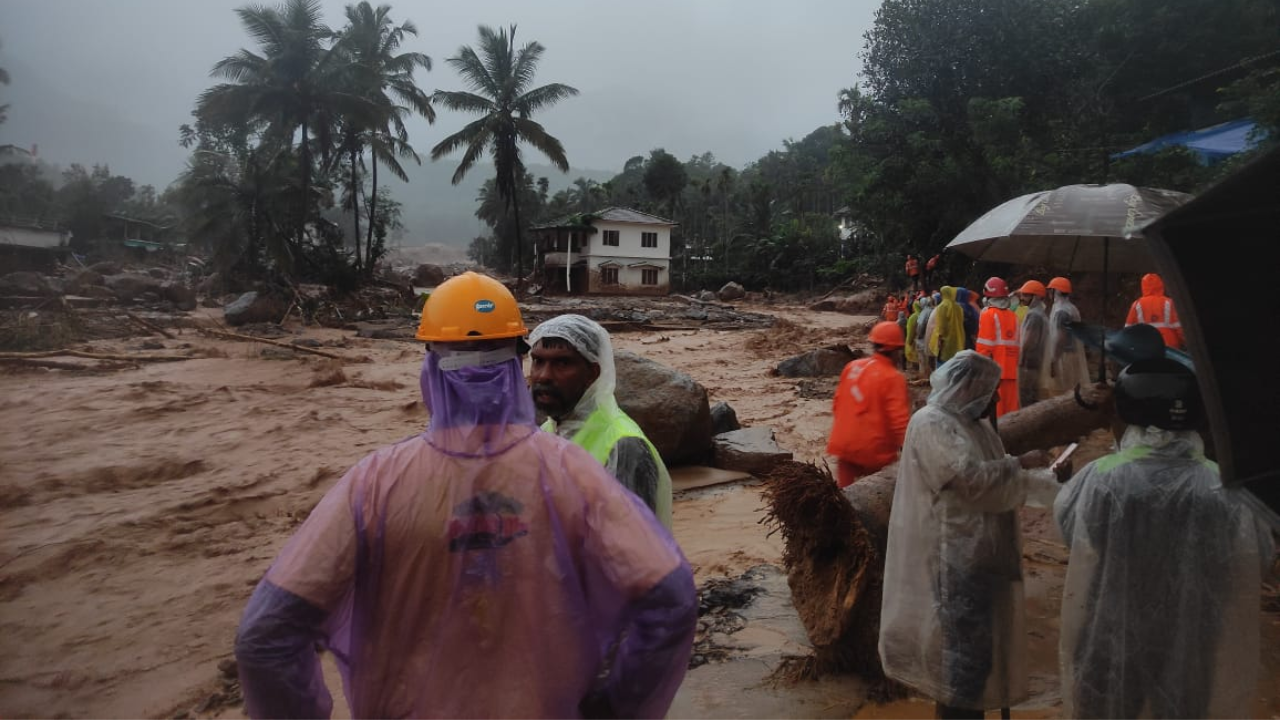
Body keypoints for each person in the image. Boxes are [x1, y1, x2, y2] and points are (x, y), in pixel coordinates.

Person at [234, 272, 696, 719]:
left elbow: (266, 637)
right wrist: (619, 707)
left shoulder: (373, 483)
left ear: (431, 366)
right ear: (517, 366)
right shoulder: (572, 469)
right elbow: (670, 599)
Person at [1054, 358, 1273, 719]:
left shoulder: (1101, 478)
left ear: (1126, 412)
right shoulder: (1225, 485)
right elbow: (1255, 557)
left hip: (1111, 630)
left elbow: (1072, 537)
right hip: (1192, 637)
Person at [878, 351, 1066, 718]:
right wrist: (1019, 464)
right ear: (968, 387)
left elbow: (996, 479)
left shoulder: (973, 425)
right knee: (961, 659)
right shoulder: (932, 423)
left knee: (980, 654)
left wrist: (1043, 478)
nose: (996, 399)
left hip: (982, 555)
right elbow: (968, 479)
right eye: (990, 391)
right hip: (955, 557)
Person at [529, 314, 673, 529]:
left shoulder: (624, 445)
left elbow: (633, 548)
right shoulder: (549, 430)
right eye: (538, 361)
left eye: (562, 363)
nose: (543, 376)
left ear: (592, 374)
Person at [827, 321, 911, 488]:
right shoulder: (893, 378)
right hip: (873, 451)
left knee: (842, 495)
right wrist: (910, 451)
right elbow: (900, 422)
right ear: (895, 351)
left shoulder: (852, 367)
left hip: (843, 443)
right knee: (874, 499)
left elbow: (836, 404)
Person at [975, 277, 1020, 418]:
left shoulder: (988, 314)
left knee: (997, 416)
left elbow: (984, 347)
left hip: (995, 373)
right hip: (1013, 371)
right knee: (1013, 414)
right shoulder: (1013, 316)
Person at [1043, 276, 1090, 395]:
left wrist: (1053, 360)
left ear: (1056, 291)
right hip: (1072, 355)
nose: (1049, 293)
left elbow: (1060, 338)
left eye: (1051, 290)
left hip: (1063, 357)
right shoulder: (1072, 308)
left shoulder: (1061, 311)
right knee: (1073, 392)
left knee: (1060, 393)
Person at [1125, 272, 1185, 350]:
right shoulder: (1169, 303)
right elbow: (1179, 327)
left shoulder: (1136, 304)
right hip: (1170, 348)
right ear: (1161, 285)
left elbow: (1128, 330)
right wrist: (1185, 343)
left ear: (1143, 287)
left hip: (1146, 346)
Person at [1015, 280, 1049, 408]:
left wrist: (1021, 360)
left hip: (1028, 364)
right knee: (1032, 397)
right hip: (1036, 362)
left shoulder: (1034, 315)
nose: (1022, 298)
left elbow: (1028, 341)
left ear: (1035, 297)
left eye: (1026, 295)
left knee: (1026, 398)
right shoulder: (1041, 314)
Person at [928, 286, 966, 366]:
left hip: (946, 341)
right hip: (958, 338)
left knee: (943, 363)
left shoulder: (942, 307)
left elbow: (941, 326)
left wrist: (939, 339)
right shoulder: (959, 307)